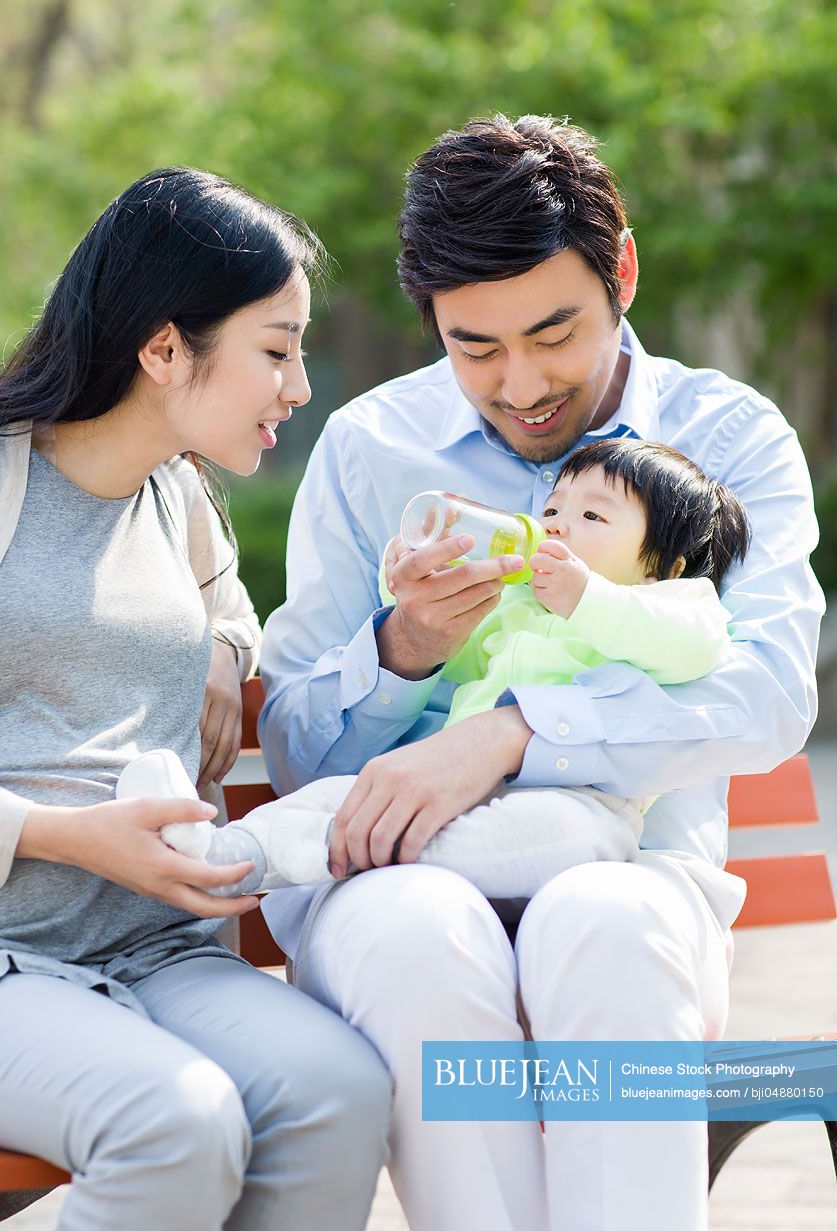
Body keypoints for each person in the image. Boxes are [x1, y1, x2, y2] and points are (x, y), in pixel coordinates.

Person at [258, 115, 824, 1231]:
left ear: (622, 274)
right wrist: (403, 650)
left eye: (554, 332)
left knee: (603, 924)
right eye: (475, 347)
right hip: (392, 887)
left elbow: (766, 691)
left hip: (636, 876)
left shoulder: (730, 437)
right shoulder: (372, 449)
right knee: (425, 935)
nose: (520, 385)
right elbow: (295, 755)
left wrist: (517, 728)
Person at [0, 167, 391, 1231]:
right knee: (178, 1123)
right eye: (276, 349)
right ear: (165, 348)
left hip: (159, 949)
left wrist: (222, 646)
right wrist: (70, 837)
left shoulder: (179, 497)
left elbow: (225, 613)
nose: (299, 386)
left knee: (338, 1091)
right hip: (9, 959)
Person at [153, 437, 748, 904]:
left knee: (445, 831)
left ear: (663, 565)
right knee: (355, 794)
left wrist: (586, 596)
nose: (558, 524)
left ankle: (344, 853)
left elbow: (692, 650)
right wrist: (424, 609)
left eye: (593, 516)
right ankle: (219, 853)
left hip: (584, 807)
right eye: (554, 508)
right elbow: (454, 661)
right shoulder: (517, 606)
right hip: (459, 787)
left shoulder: (671, 602)